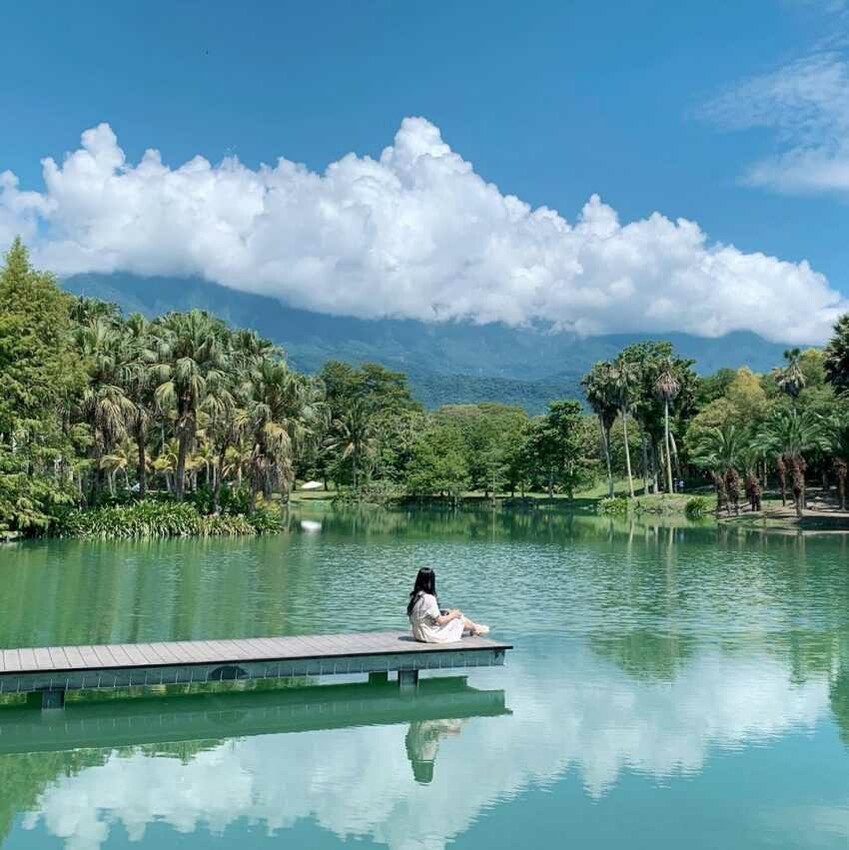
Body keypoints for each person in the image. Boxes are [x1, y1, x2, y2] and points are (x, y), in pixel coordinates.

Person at [407, 567, 489, 643]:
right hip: (429, 635)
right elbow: (441, 621)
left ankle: (476, 628)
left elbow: (425, 614)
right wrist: (453, 615)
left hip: (418, 634)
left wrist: (447, 613)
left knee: (449, 612)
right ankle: (476, 628)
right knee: (459, 618)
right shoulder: (429, 598)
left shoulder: (415, 596)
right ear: (430, 581)